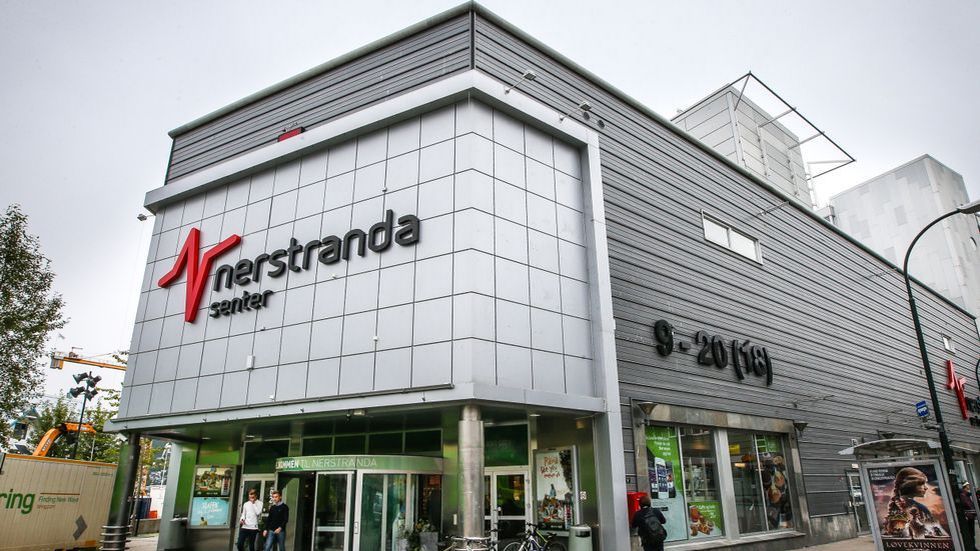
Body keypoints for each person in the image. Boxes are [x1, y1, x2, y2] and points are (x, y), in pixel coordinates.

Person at [960, 482, 977, 551]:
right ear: (965, 486)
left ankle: (973, 547)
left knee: (971, 533)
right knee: (970, 533)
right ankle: (972, 548)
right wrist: (973, 511)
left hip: (970, 516)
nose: (969, 486)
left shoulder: (967, 494)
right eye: (968, 485)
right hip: (969, 516)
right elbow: (968, 505)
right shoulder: (963, 495)